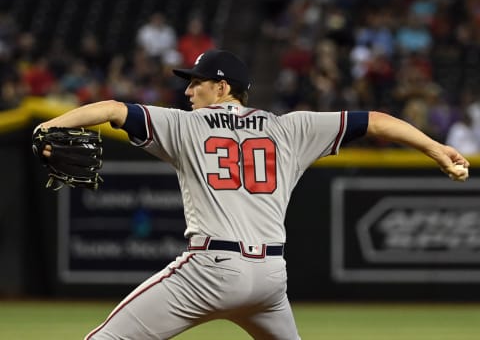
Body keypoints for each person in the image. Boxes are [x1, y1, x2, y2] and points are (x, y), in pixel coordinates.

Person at [35, 49, 470, 340]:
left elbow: (111, 110)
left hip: (210, 271)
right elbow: (374, 119)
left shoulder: (186, 125)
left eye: (197, 82)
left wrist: (49, 127)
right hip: (269, 279)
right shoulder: (290, 127)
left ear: (222, 88)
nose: (188, 91)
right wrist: (435, 148)